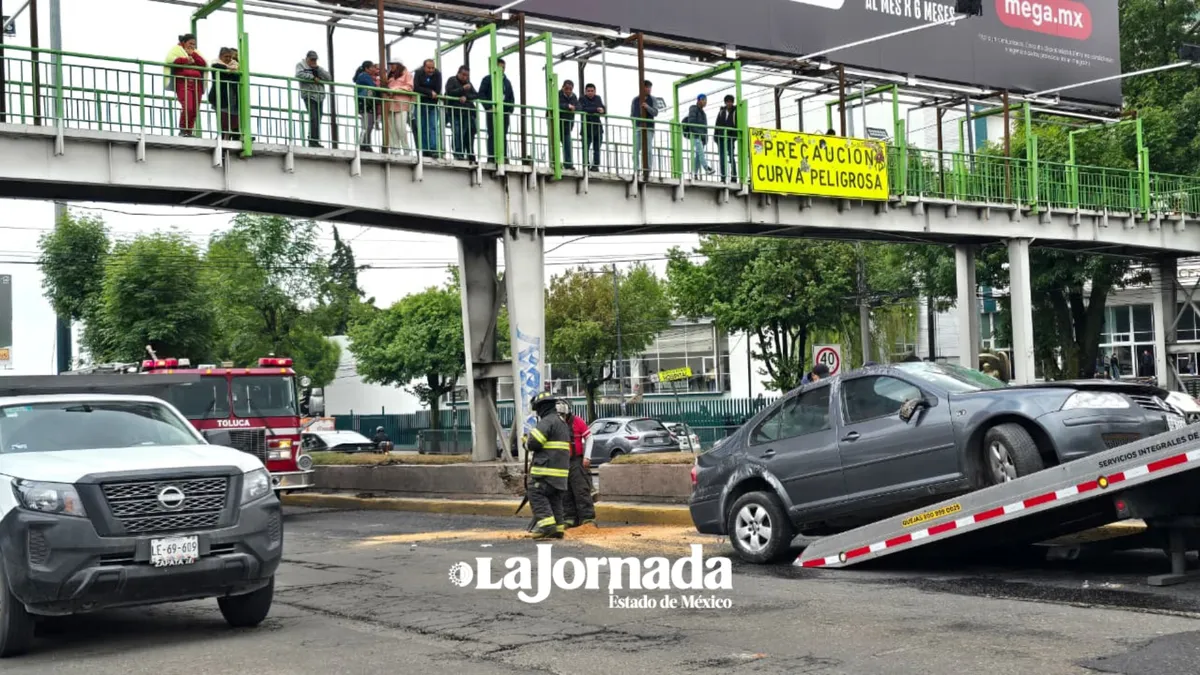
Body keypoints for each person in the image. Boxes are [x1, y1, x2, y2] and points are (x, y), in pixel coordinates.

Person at [524, 393, 572, 539]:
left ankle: (546, 527)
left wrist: (525, 441)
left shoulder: (546, 422)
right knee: (554, 499)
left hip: (546, 471)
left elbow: (534, 443)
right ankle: (558, 528)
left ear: (541, 408)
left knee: (536, 492)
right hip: (560, 474)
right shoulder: (561, 422)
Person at [557, 400, 596, 529]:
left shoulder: (577, 421)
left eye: (563, 414)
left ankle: (587, 518)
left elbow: (589, 437)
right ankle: (569, 518)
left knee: (581, 490)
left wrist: (587, 457)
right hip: (562, 463)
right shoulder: (556, 424)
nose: (561, 417)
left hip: (576, 462)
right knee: (565, 492)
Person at [165, 33, 206, 136]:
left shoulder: (196, 52)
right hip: (183, 82)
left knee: (195, 109)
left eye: (194, 44)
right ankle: (183, 130)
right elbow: (170, 60)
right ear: (184, 43)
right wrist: (186, 60)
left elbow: (203, 64)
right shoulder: (176, 49)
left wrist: (193, 55)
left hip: (196, 83)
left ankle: (189, 131)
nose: (192, 46)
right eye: (190, 43)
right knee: (188, 107)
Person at [478, 59, 515, 163]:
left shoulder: (507, 82)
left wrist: (510, 109)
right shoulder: (487, 79)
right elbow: (481, 94)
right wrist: (488, 107)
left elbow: (511, 97)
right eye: (500, 67)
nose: (502, 69)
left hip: (504, 113)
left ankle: (503, 156)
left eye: (503, 67)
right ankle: (492, 156)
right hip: (492, 111)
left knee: (503, 134)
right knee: (492, 134)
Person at [295, 50, 332, 148]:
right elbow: (298, 74)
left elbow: (329, 78)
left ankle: (315, 140)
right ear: (307, 58)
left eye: (315, 60)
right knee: (314, 117)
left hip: (319, 96)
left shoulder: (318, 68)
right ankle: (312, 140)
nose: (313, 61)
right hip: (309, 95)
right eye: (312, 59)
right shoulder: (301, 65)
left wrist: (318, 69)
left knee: (318, 118)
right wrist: (312, 77)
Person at [444, 65, 479, 162]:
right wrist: (462, 89)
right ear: (458, 73)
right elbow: (449, 92)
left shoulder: (468, 83)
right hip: (454, 111)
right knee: (457, 132)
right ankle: (457, 153)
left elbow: (476, 94)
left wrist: (466, 97)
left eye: (467, 75)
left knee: (463, 133)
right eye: (463, 75)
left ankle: (461, 153)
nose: (465, 77)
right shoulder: (452, 80)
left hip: (465, 113)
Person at [207, 47, 240, 141]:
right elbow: (216, 67)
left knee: (234, 118)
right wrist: (228, 69)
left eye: (230, 57)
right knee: (223, 119)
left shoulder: (235, 64)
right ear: (220, 56)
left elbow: (236, 77)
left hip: (232, 97)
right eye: (226, 56)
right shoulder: (215, 63)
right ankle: (222, 138)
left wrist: (229, 71)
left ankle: (234, 137)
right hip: (220, 97)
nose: (229, 58)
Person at [413, 59, 443, 159]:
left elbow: (438, 89)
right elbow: (416, 87)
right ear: (424, 67)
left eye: (432, 68)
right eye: (428, 68)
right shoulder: (418, 73)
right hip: (420, 103)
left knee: (433, 126)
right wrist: (429, 92)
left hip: (432, 105)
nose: (431, 70)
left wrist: (429, 92)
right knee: (422, 127)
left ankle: (433, 149)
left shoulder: (437, 74)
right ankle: (424, 150)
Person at [386, 62, 415, 154]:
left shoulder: (407, 74)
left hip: (402, 104)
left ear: (399, 65)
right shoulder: (390, 75)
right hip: (390, 103)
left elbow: (409, 87)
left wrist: (396, 89)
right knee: (391, 128)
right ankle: (395, 148)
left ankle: (406, 148)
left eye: (393, 64)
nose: (391, 66)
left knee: (401, 127)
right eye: (390, 64)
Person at [630, 80, 659, 174]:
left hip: (649, 127)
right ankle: (636, 170)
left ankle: (647, 170)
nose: (648, 89)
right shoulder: (635, 100)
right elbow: (632, 115)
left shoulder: (653, 99)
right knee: (635, 150)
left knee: (648, 150)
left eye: (650, 87)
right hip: (638, 127)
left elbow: (655, 112)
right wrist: (635, 124)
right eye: (646, 87)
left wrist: (647, 107)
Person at [683, 93, 714, 179]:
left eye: (706, 100)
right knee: (700, 152)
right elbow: (691, 122)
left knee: (698, 155)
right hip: (695, 135)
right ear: (699, 100)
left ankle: (694, 173)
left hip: (701, 137)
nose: (705, 102)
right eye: (703, 100)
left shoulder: (703, 113)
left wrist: (705, 138)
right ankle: (706, 168)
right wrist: (699, 133)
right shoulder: (693, 109)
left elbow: (705, 128)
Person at [354, 61, 381, 153]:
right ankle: (362, 144)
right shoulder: (364, 76)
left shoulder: (363, 76)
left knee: (368, 125)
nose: (374, 69)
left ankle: (366, 145)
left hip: (367, 103)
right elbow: (373, 86)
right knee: (367, 125)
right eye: (372, 67)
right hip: (365, 103)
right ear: (367, 68)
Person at [579, 83, 605, 172]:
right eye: (588, 91)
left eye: (592, 91)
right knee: (585, 148)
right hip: (586, 128)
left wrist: (602, 109)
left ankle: (595, 166)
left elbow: (603, 108)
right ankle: (585, 166)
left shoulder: (598, 98)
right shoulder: (582, 99)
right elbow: (582, 109)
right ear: (585, 91)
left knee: (597, 149)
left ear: (595, 91)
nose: (590, 92)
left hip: (597, 128)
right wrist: (596, 109)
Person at [715, 94, 738, 183]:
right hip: (721, 138)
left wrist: (734, 137)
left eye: (730, 102)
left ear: (732, 102)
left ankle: (734, 176)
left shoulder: (735, 112)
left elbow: (736, 125)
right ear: (725, 102)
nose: (729, 103)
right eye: (727, 102)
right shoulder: (721, 112)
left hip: (730, 138)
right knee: (722, 158)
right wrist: (716, 137)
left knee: (731, 157)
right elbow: (717, 124)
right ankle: (723, 177)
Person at [556, 80, 579, 170]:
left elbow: (579, 106)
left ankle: (568, 164)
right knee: (555, 144)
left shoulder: (574, 96)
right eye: (566, 88)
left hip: (567, 126)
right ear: (563, 87)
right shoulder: (557, 94)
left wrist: (574, 108)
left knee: (568, 145)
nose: (568, 91)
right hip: (556, 124)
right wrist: (567, 106)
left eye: (570, 89)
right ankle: (555, 163)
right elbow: (556, 104)